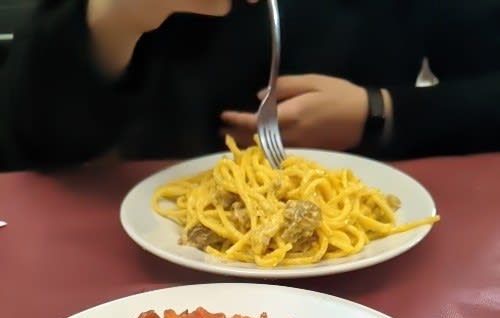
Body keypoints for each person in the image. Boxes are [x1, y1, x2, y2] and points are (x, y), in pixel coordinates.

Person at [1, 0, 500, 171]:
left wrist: (382, 111)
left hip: (369, 244)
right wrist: (117, 16)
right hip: (150, 232)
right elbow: (31, 136)